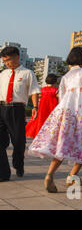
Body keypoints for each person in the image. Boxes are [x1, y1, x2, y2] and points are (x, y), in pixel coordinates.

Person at [28, 47, 82, 193]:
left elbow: (61, 97)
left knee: (63, 145)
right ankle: (72, 175)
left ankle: (49, 175)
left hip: (66, 112)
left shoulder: (66, 76)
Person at [0, 46, 40, 181]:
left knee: (18, 141)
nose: (6, 63)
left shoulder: (28, 73)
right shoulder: (3, 74)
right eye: (4, 61)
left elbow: (34, 91)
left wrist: (35, 106)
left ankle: (18, 164)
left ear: (17, 57)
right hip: (1, 108)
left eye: (8, 60)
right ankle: (3, 173)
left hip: (17, 109)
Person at [25, 74, 59, 139]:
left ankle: (39, 134)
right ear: (55, 81)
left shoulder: (42, 89)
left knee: (40, 120)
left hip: (42, 108)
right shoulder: (56, 90)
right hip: (52, 108)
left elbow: (38, 96)